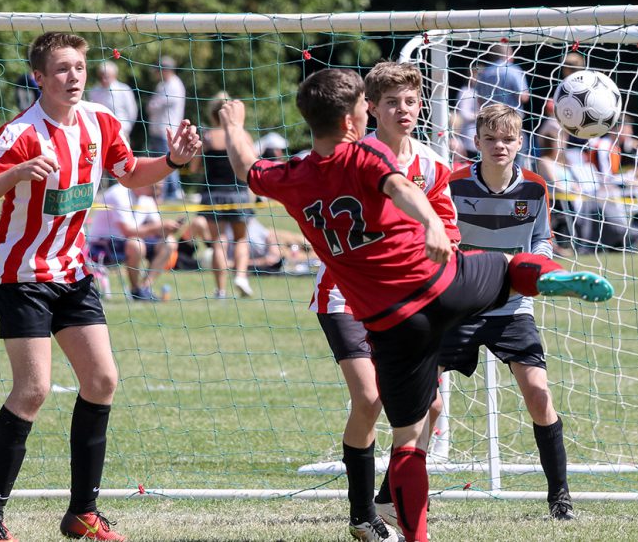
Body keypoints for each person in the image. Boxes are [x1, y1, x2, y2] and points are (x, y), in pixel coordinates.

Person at [218, 68, 613, 542]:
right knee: (508, 265)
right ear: (351, 121)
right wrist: (428, 223)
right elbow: (401, 187)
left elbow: (247, 168)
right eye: (368, 105)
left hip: (390, 323)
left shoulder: (291, 176)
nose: (372, 112)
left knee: (408, 437)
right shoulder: (366, 152)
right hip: (439, 283)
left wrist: (234, 123)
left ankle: (414, 536)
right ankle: (550, 280)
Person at [0, 31, 201, 542]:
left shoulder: (100, 120)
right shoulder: (22, 133)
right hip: (21, 274)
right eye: (62, 69)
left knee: (101, 381)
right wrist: (18, 172)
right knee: (33, 389)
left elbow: (133, 174)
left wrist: (175, 161)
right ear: (40, 78)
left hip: (73, 272)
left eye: (79, 68)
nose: (73, 77)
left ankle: (82, 513)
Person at [312, 61, 460, 541]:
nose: (403, 110)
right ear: (369, 108)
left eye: (411, 101)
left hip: (408, 302)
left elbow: (449, 231)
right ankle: (363, 518)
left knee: (431, 407)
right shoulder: (348, 157)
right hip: (345, 297)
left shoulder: (433, 165)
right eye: (392, 102)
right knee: (370, 397)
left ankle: (387, 497)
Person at [445, 103, 575, 520]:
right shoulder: (452, 185)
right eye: (490, 138)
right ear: (477, 142)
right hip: (459, 306)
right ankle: (393, 494)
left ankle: (560, 499)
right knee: (423, 403)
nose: (499, 145)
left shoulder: (535, 187)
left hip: (512, 308)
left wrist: (539, 268)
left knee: (539, 395)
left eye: (508, 139)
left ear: (520, 142)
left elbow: (541, 240)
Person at [191, 92, 254, 298]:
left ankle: (221, 290)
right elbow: (251, 164)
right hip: (238, 193)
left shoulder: (207, 136)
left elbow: (193, 168)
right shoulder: (243, 135)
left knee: (218, 241)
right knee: (241, 239)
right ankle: (241, 277)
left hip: (212, 194)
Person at [87, 182, 181, 300]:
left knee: (169, 242)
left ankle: (145, 288)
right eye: (157, 188)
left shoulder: (147, 198)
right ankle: (135, 289)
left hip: (131, 240)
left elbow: (156, 227)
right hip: (104, 244)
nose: (159, 192)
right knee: (136, 244)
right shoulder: (118, 194)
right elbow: (128, 231)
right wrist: (159, 227)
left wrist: (168, 229)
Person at [147, 56, 187, 201]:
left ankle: (173, 191)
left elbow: (155, 105)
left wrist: (152, 105)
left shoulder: (174, 85)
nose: (157, 74)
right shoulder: (163, 85)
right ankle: (164, 192)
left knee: (169, 161)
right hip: (158, 130)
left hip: (168, 130)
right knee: (161, 161)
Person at [88, 61, 138, 144]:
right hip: (100, 133)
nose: (104, 79)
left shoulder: (124, 90)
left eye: (107, 76)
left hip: (122, 132)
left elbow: (132, 112)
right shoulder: (94, 91)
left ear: (114, 75)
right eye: (101, 76)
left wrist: (126, 129)